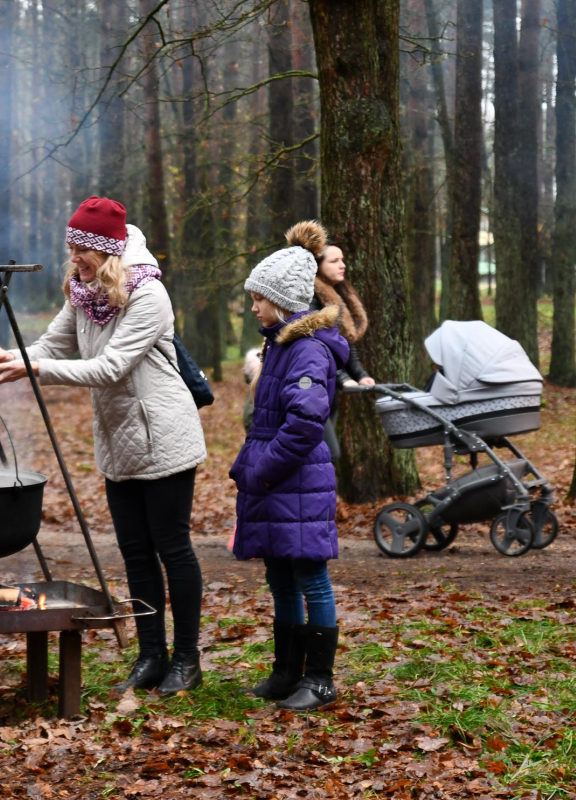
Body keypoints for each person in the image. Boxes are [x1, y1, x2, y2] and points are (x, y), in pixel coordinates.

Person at [0, 197, 208, 695]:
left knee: (172, 549)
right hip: (118, 440)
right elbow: (50, 346)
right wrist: (6, 358)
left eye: (82, 249)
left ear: (107, 251)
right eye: (72, 247)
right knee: (134, 552)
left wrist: (35, 369)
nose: (74, 258)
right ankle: (152, 654)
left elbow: (110, 367)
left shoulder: (149, 297)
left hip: (163, 434)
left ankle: (187, 659)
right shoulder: (84, 293)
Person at [230, 220, 349, 712]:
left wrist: (264, 471)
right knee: (279, 576)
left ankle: (319, 679)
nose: (253, 305)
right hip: (275, 481)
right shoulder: (277, 345)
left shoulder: (306, 350)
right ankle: (286, 671)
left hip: (296, 480)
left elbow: (304, 424)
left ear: (280, 300)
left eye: (258, 297)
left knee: (310, 576)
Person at [307, 234, 373, 464]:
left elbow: (346, 341)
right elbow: (316, 346)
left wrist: (360, 375)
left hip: (329, 389)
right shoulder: (311, 298)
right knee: (327, 454)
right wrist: (343, 377)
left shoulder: (338, 295)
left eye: (342, 259)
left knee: (323, 456)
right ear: (317, 265)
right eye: (334, 261)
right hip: (310, 388)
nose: (342, 265)